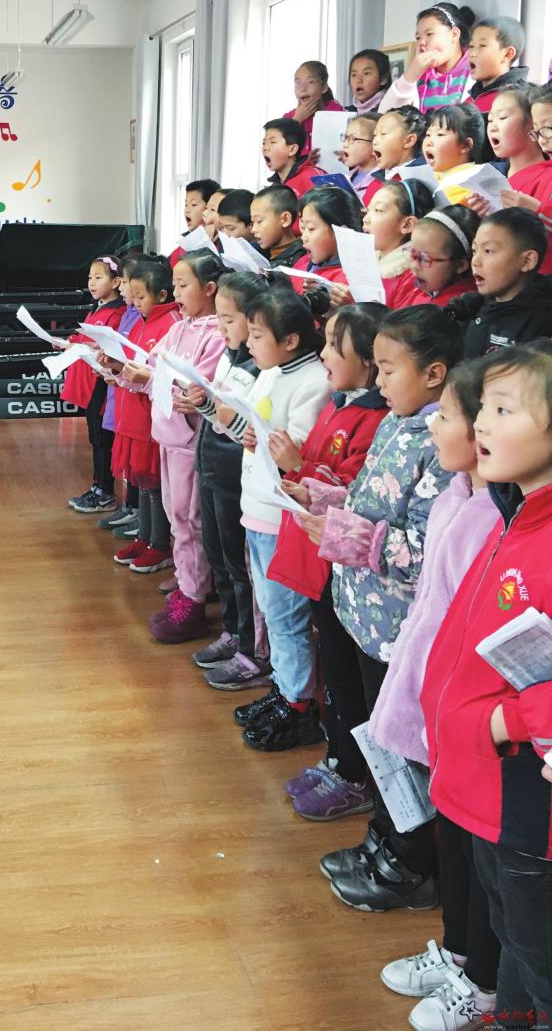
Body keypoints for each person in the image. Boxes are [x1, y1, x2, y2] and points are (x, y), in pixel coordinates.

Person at [306, 306, 462, 911]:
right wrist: (325, 499)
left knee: (400, 749)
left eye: (389, 368)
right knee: (377, 740)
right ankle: (385, 840)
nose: (378, 378)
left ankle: (409, 865)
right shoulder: (398, 422)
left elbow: (423, 550)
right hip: (364, 616)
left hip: (398, 629)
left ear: (434, 374)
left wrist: (345, 534)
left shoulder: (440, 441)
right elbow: (372, 500)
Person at [421, 343, 552, 1027]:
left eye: (504, 410)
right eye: (483, 409)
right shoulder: (519, 514)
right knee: (514, 942)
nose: (480, 423)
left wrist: (507, 723)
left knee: (538, 955)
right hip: (488, 786)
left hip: (527, 800)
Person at [373, 360, 500, 1031]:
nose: (432, 427)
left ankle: (482, 983)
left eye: (445, 415)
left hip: (467, 713)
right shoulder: (455, 493)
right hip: (432, 700)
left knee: (479, 856)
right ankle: (457, 951)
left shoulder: (494, 518)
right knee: (453, 841)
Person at [266, 303, 388, 800]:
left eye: (336, 345)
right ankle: (339, 758)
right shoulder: (340, 404)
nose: (324, 354)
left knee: (348, 675)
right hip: (322, 558)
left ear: (371, 358)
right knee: (334, 670)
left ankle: (353, 772)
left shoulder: (376, 419)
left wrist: (299, 467)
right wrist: (292, 469)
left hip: (345, 566)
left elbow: (353, 493)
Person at [234, 286, 331, 749]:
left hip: (282, 517)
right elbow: (256, 428)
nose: (248, 342)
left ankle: (298, 705)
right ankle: (283, 687)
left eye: (257, 335)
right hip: (256, 508)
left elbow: (301, 451)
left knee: (286, 616)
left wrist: (269, 440)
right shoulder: (270, 371)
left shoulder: (313, 381)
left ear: (290, 340)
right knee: (271, 611)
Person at [119, 250, 227, 641]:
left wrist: (151, 378)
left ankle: (194, 599)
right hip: (167, 435)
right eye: (175, 286)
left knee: (189, 518)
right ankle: (187, 583)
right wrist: (124, 370)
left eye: (183, 286)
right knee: (175, 514)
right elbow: (152, 367)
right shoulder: (181, 327)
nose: (176, 294)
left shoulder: (217, 334)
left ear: (209, 288)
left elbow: (199, 390)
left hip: (190, 439)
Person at [188, 271, 268, 690]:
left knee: (240, 566)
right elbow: (218, 417)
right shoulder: (229, 355)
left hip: (238, 475)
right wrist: (202, 404)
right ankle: (233, 632)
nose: (220, 328)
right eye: (218, 318)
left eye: (228, 320)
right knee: (218, 556)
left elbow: (248, 432)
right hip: (212, 467)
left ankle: (253, 650)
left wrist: (219, 414)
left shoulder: (260, 366)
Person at [105, 258, 180, 575]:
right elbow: (131, 363)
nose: (134, 302)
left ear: (162, 295)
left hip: (150, 418)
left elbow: (160, 375)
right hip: (132, 413)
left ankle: (160, 544)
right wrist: (115, 368)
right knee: (143, 483)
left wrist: (129, 373)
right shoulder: (142, 321)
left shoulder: (171, 324)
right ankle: (145, 537)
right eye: (133, 296)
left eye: (140, 296)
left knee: (155, 484)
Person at [63, 256, 125, 513]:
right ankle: (98, 487)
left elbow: (111, 347)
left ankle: (105, 492)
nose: (91, 282)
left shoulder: (118, 312)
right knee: (95, 436)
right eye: (90, 277)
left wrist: (89, 347)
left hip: (104, 382)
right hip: (92, 382)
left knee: (102, 437)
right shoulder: (97, 308)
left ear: (116, 282)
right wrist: (70, 342)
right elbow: (86, 338)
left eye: (98, 277)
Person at [448, 208, 552, 357]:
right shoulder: (468, 309)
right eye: (474, 251)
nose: (475, 261)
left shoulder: (542, 328)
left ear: (527, 261)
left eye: (488, 251)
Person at [97, 256, 144, 531]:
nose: (124, 288)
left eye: (126, 282)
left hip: (134, 395)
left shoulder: (138, 315)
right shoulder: (128, 312)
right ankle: (130, 507)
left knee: (139, 463)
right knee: (127, 457)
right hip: (120, 390)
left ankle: (138, 513)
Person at [485, 83, 552, 271]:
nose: (542, 139)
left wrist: (537, 212)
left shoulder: (545, 176)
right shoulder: (495, 175)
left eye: (548, 128)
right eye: (490, 120)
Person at [381, 4, 476, 113]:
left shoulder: (475, 71)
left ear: (454, 35)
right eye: (418, 37)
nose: (421, 42)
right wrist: (409, 77)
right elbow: (385, 115)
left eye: (429, 34)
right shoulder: (418, 78)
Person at [362, 178, 434, 308]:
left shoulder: (414, 280)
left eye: (378, 210)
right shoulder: (363, 263)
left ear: (407, 224)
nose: (365, 219)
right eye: (368, 210)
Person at [406, 207, 480, 306]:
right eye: (412, 253)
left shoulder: (450, 310)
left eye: (425, 258)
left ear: (460, 265)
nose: (414, 265)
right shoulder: (427, 288)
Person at [423, 102, 487, 206]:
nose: (428, 142)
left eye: (440, 134)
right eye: (428, 134)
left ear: (465, 145)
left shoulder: (471, 192)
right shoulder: (429, 178)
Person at [468, 16, 528, 115]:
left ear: (507, 54)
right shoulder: (469, 99)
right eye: (471, 46)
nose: (472, 53)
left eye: (482, 45)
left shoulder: (515, 101)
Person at [284, 60, 346, 152]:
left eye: (310, 82)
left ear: (324, 87)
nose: (302, 88)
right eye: (298, 83)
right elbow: (278, 150)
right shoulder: (289, 118)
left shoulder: (338, 113)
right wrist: (297, 120)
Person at [262, 119, 326, 199]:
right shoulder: (274, 187)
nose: (265, 148)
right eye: (264, 143)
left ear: (292, 149)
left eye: (273, 142)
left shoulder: (312, 177)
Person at [249, 186, 304, 268]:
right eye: (252, 222)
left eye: (259, 221)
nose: (253, 230)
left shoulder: (300, 261)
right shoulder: (257, 255)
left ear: (285, 219)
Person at [168, 180, 220, 267]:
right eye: (186, 205)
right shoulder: (191, 238)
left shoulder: (220, 243)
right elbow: (172, 262)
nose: (187, 210)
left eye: (194, 204)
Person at [339, 113, 379, 198]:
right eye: (346, 137)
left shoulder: (383, 183)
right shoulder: (346, 178)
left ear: (374, 144)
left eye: (353, 139)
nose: (345, 144)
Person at [348, 50, 393, 115]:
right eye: (354, 75)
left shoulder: (391, 112)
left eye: (366, 73)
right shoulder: (347, 112)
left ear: (383, 79)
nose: (358, 80)